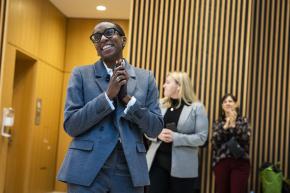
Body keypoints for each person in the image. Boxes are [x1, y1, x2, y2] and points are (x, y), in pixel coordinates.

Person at [57, 21, 163, 193]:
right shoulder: (81, 74)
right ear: (96, 47)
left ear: (123, 40)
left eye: (109, 32)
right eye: (97, 37)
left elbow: (155, 129)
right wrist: (107, 97)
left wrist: (129, 101)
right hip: (87, 167)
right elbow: (71, 125)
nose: (103, 39)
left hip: (129, 169)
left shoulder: (146, 78)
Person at [146, 72, 208, 193]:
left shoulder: (197, 108)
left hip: (183, 168)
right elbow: (147, 129)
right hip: (156, 163)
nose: (164, 85)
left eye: (168, 82)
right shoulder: (160, 105)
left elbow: (202, 138)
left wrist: (176, 137)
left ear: (179, 86)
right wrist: (157, 134)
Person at [212, 94, 251, 193]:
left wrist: (233, 125)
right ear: (222, 106)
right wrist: (225, 126)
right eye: (225, 102)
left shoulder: (243, 121)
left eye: (230, 101)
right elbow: (215, 143)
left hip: (240, 162)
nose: (227, 103)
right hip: (222, 161)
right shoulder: (218, 122)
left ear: (236, 104)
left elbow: (245, 139)